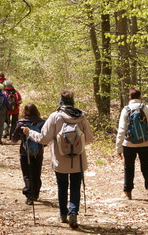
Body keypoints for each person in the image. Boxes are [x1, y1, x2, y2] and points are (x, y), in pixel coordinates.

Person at [23, 90, 93, 229]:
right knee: (75, 187)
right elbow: (90, 139)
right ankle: (73, 212)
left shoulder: (55, 117)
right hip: (78, 161)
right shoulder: (81, 117)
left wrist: (29, 132)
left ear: (60, 102)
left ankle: (63, 214)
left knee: (62, 186)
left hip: (60, 161)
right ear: (73, 102)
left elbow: (43, 139)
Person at [115, 87, 148, 202]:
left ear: (129, 97)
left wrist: (118, 148)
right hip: (146, 143)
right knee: (146, 167)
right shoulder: (146, 108)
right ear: (140, 97)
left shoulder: (126, 110)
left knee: (129, 168)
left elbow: (121, 130)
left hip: (129, 144)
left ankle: (127, 192)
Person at [11, 103, 45, 205]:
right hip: (38, 151)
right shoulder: (42, 123)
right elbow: (45, 138)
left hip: (25, 152)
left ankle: (29, 195)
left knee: (27, 173)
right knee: (36, 172)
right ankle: (36, 193)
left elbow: (14, 138)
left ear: (24, 111)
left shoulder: (21, 123)